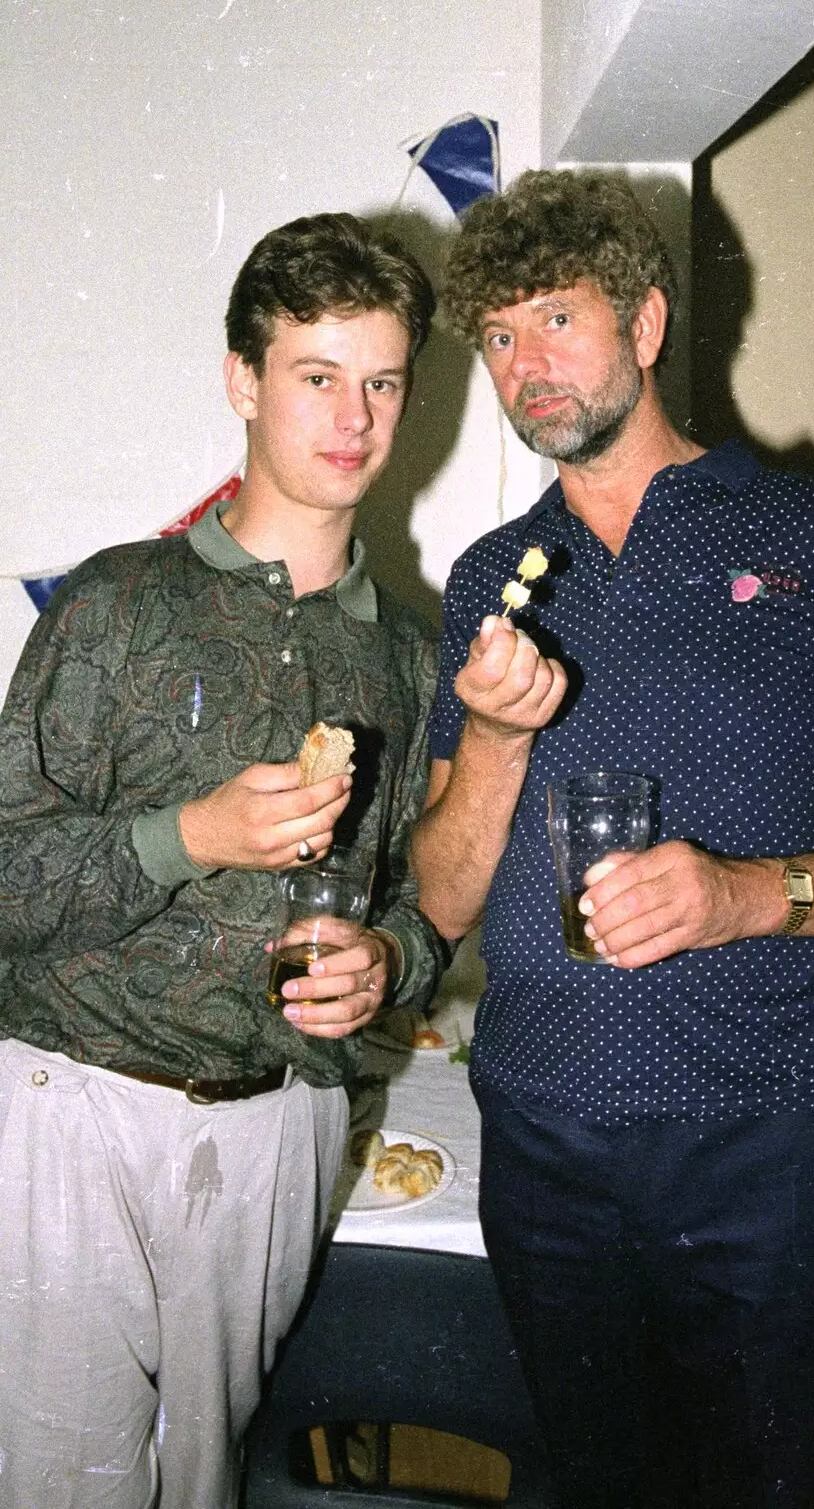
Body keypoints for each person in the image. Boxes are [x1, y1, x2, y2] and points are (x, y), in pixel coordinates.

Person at [412, 170, 814, 1509]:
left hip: (768, 1142)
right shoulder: (488, 581)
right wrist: (494, 739)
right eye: (499, 338)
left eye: (556, 321)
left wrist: (748, 896)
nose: (526, 366)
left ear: (648, 323)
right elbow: (437, 903)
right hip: (544, 1137)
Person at [0, 211, 448, 1509]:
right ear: (244, 381)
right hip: (73, 1107)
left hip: (280, 1135)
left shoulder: (409, 660)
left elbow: (426, 903)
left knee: (205, 1485)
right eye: (316, 376)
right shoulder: (114, 604)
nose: (353, 417)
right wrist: (189, 835)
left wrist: (389, 959)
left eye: (381, 382)